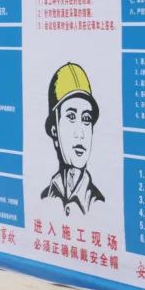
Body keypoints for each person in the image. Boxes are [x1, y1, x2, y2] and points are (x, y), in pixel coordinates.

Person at [41, 62, 104, 215]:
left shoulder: (98, 203)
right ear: (54, 130)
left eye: (86, 119)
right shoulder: (45, 196)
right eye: (71, 116)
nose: (80, 133)